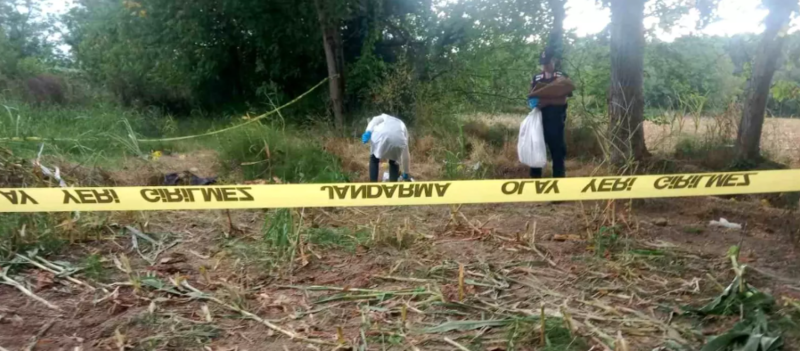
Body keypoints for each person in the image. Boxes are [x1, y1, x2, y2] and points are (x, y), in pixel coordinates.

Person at [527, 48, 574, 179]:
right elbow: (531, 97)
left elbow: (563, 99)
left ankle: (558, 188)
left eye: (547, 62)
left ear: (554, 60)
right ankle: (535, 185)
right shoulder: (536, 78)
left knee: (557, 152)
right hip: (539, 119)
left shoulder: (561, 76)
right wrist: (537, 102)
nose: (545, 66)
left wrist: (546, 101)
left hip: (556, 119)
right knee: (536, 149)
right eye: (543, 63)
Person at [362, 114, 411, 182]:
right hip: (398, 140)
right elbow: (405, 153)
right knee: (394, 162)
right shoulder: (402, 125)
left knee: (374, 159)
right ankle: (393, 187)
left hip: (380, 136)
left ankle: (373, 184)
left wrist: (368, 131)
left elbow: (374, 121)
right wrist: (406, 171)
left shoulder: (384, 116)